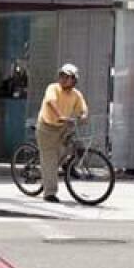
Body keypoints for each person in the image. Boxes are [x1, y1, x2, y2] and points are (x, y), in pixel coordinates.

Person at [36, 63, 89, 203]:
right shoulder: (53, 88)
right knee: (50, 160)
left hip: (64, 127)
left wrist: (83, 115)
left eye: (68, 77)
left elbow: (82, 108)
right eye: (62, 76)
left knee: (78, 146)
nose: (64, 79)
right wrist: (59, 115)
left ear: (74, 80)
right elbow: (50, 102)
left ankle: (67, 164)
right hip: (47, 127)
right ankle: (49, 193)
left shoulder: (76, 94)